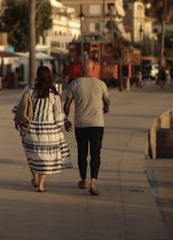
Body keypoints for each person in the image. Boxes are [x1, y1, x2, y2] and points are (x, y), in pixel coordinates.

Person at [15, 66, 72, 192]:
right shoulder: (53, 94)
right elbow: (58, 116)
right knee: (46, 158)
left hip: (31, 130)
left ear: (37, 76)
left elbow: (20, 107)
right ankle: (40, 185)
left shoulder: (29, 90)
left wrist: (17, 120)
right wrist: (65, 121)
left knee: (31, 154)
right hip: (49, 131)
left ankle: (34, 177)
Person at [63, 58, 110, 196]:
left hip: (81, 125)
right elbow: (107, 101)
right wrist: (106, 108)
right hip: (97, 125)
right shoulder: (101, 84)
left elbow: (66, 105)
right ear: (93, 68)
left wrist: (66, 120)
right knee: (96, 153)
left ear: (81, 68)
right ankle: (93, 183)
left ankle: (83, 181)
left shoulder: (74, 84)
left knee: (82, 153)